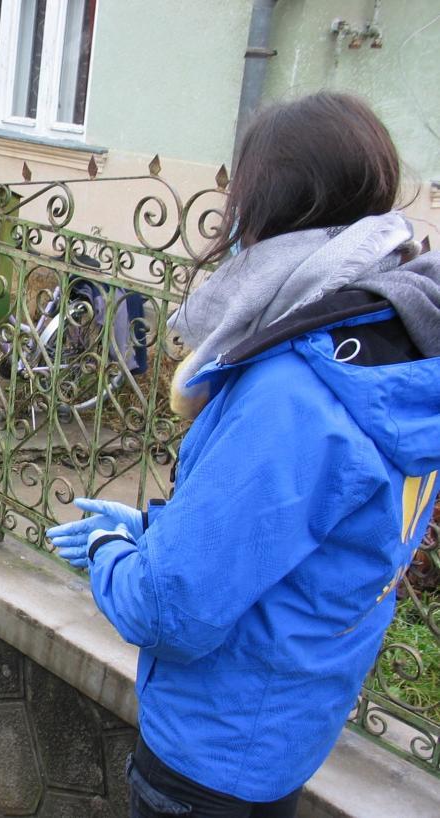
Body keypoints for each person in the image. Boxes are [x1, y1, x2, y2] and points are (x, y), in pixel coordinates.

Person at [47, 93, 440, 818]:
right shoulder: (395, 349)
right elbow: (302, 546)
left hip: (209, 751)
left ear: (265, 206)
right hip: (287, 727)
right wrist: (157, 533)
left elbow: (171, 611)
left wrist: (108, 547)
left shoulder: (296, 391)